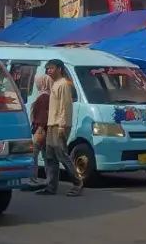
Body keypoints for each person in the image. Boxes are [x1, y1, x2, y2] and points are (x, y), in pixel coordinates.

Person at [38, 60, 83, 197]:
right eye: (47, 69)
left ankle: (77, 182)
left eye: (51, 68)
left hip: (60, 125)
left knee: (62, 155)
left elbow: (65, 106)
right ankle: (51, 187)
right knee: (50, 157)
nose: (48, 71)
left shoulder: (64, 84)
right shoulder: (54, 84)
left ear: (59, 69)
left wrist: (62, 125)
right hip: (52, 124)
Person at [24, 74, 52, 190]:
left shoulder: (43, 97)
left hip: (40, 130)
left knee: (33, 154)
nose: (36, 84)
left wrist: (39, 130)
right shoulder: (47, 95)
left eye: (37, 82)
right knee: (47, 156)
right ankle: (50, 180)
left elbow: (42, 116)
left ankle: (32, 180)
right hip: (45, 129)